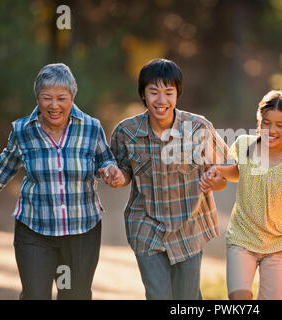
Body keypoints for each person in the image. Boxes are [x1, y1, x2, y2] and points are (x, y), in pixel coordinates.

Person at [0, 63, 119, 299]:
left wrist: (110, 170)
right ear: (37, 98)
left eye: (62, 98)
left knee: (75, 295)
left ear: (72, 97)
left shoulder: (91, 128)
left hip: (82, 229)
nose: (54, 105)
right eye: (46, 97)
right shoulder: (22, 130)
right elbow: (4, 166)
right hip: (35, 228)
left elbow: (105, 160)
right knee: (35, 294)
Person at [107, 58, 229, 300]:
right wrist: (116, 177)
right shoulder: (126, 132)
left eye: (168, 92)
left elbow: (223, 176)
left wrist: (215, 180)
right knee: (159, 295)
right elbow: (124, 175)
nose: (161, 100)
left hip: (189, 227)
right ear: (143, 94)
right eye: (153, 92)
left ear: (177, 94)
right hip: (145, 226)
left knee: (187, 297)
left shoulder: (199, 128)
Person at [199, 90, 282, 300]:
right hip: (242, 238)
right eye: (266, 123)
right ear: (259, 120)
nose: (271, 130)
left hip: (277, 246)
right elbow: (238, 172)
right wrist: (219, 170)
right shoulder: (244, 145)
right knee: (239, 299)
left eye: (280, 125)